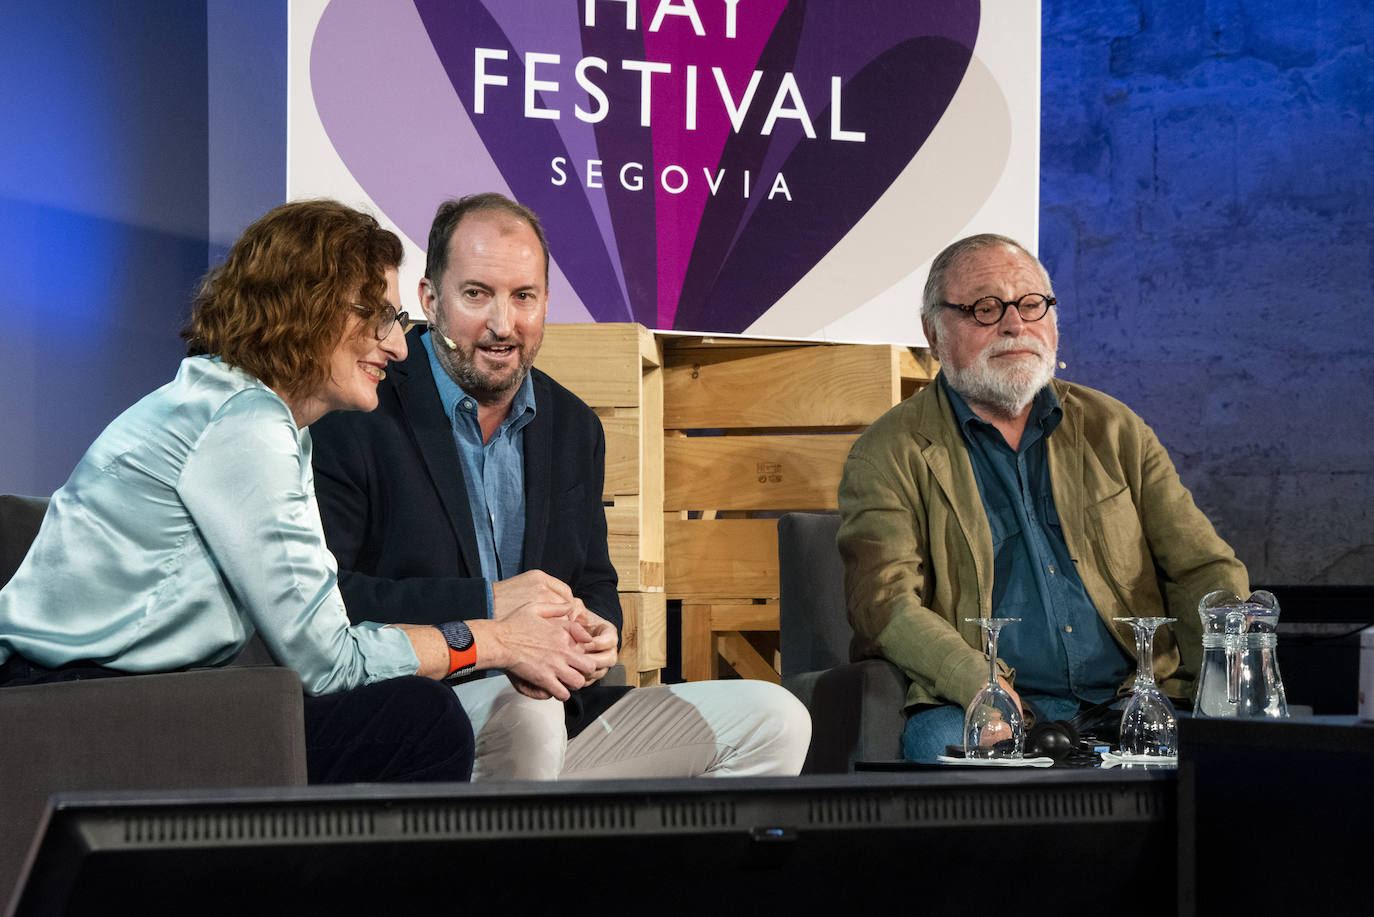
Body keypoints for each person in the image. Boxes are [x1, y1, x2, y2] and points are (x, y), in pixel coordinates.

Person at [310, 193, 811, 779]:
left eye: (524, 296)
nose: (503, 324)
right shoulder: (359, 408)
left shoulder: (573, 425)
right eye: (477, 294)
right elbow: (335, 599)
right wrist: (492, 612)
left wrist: (601, 632)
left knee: (775, 717)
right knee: (528, 716)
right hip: (424, 711)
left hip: (557, 710)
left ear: (546, 302)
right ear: (429, 299)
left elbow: (594, 580)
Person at [0, 200, 476, 783]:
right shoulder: (243, 424)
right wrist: (483, 641)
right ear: (308, 306)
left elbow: (314, 642)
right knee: (420, 722)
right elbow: (329, 665)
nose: (399, 346)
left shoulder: (249, 412)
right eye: (376, 316)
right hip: (77, 706)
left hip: (119, 694)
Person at [837, 233, 1250, 761]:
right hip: (975, 704)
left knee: (1249, 770)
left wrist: (1223, 685)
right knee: (953, 757)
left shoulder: (1115, 428)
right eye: (985, 309)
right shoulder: (889, 451)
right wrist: (976, 685)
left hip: (1133, 698)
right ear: (933, 336)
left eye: (1032, 304)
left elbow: (1203, 568)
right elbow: (884, 603)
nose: (1014, 324)